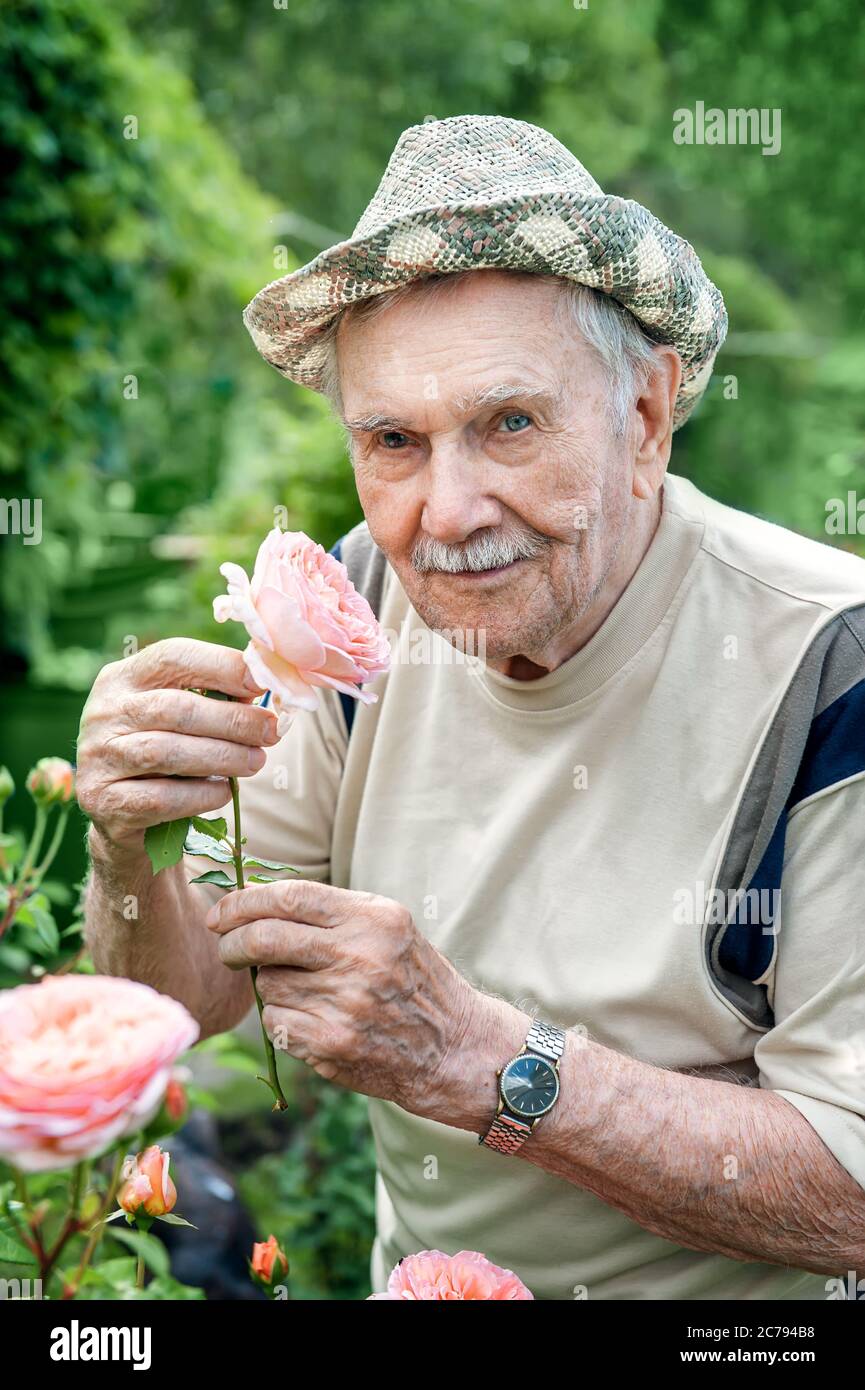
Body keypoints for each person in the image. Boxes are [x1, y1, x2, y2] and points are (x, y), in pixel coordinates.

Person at [79, 115, 865, 1300]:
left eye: (509, 423)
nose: (445, 515)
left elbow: (852, 1187)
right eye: (393, 439)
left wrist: (483, 1060)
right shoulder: (344, 602)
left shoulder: (828, 661)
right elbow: (185, 1002)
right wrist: (125, 848)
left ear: (645, 419)